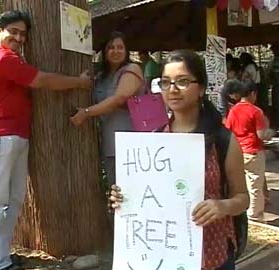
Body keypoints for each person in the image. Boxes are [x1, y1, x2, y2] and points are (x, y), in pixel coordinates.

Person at [109, 50, 249, 270]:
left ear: (201, 88)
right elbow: (148, 198)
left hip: (213, 256)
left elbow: (243, 198)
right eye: (165, 82)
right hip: (164, 257)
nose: (172, 90)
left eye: (182, 81)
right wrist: (122, 198)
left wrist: (222, 206)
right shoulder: (154, 142)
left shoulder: (222, 140)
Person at [0, 10, 92, 270]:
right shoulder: (2, 57)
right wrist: (79, 82)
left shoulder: (11, 57)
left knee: (16, 198)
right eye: (13, 31)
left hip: (15, 135)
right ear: (0, 29)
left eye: (23, 34)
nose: (19, 38)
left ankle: (1, 255)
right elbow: (43, 80)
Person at [70, 31, 143, 191]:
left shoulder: (132, 69)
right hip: (109, 143)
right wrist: (81, 81)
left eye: (120, 47)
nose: (115, 51)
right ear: (104, 51)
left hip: (132, 144)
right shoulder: (101, 76)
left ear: (126, 51)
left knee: (131, 194)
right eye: (111, 47)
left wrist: (86, 112)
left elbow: (119, 98)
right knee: (114, 193)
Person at [225, 79, 274, 222]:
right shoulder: (256, 111)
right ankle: (254, 215)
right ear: (253, 93)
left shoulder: (233, 110)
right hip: (253, 151)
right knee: (254, 185)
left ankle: (244, 212)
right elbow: (261, 135)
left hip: (237, 152)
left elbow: (228, 130)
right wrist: (270, 132)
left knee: (241, 184)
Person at [268, 43, 279, 129]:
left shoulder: (272, 62)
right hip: (276, 86)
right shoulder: (272, 61)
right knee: (276, 106)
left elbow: (268, 74)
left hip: (276, 86)